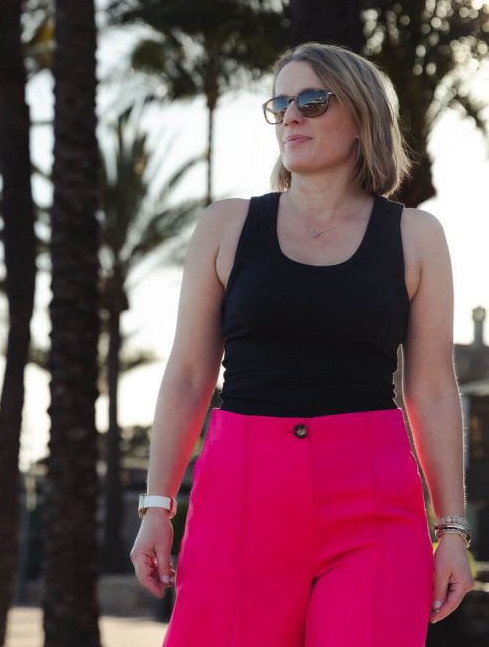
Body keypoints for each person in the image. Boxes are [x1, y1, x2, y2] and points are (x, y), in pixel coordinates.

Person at [129, 42, 474, 647]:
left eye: (312, 101)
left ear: (363, 117)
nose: (291, 116)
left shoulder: (417, 236)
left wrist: (451, 529)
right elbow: (187, 377)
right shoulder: (227, 226)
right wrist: (157, 506)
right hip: (241, 497)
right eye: (281, 103)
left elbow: (433, 389)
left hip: (374, 500)